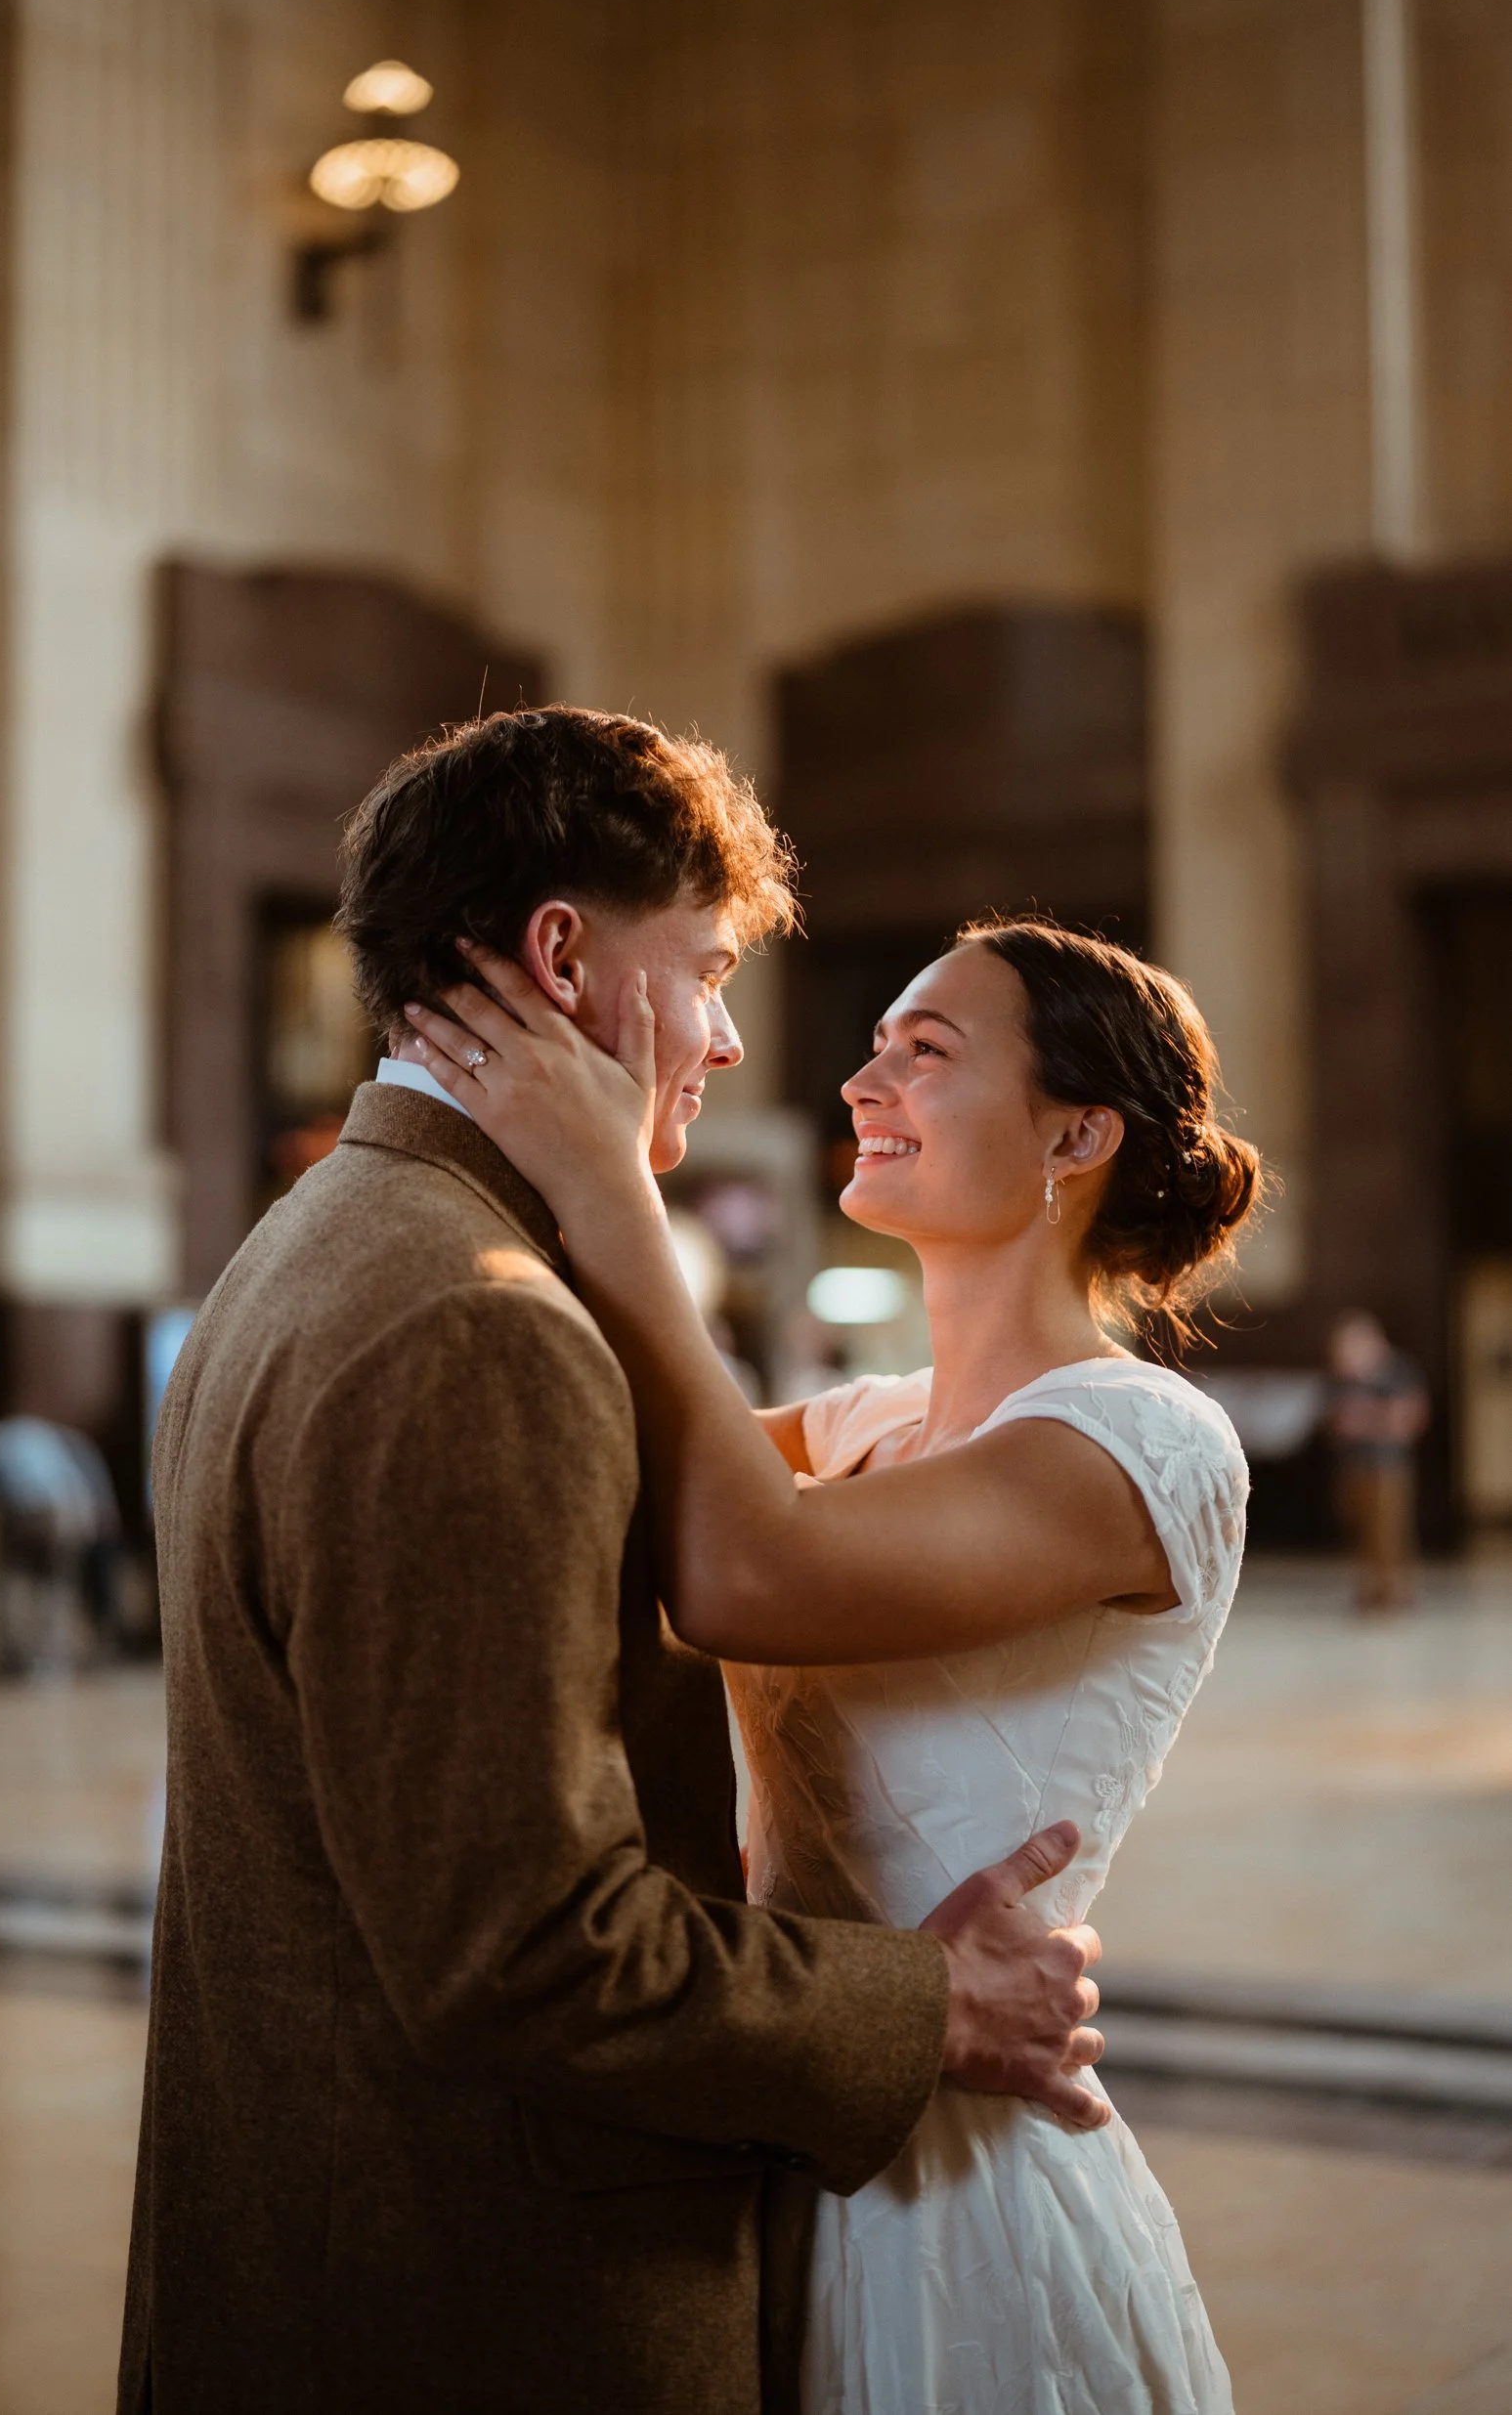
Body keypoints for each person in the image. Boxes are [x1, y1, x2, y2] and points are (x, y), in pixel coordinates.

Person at [118, 709, 1108, 2415]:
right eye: (708, 970)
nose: (723, 1042)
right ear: (566, 956)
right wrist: (926, 2006)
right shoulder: (471, 1324)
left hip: (320, 2243)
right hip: (475, 2302)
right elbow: (531, 1952)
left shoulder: (314, 1242)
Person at [403, 910, 1260, 2414]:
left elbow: (741, 1574)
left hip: (960, 2180)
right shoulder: (870, 1420)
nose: (863, 1083)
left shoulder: (1138, 1442)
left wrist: (608, 1178)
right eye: (871, 1047)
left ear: (1075, 1132)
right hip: (794, 2105)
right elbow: (641, 1491)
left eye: (922, 1053)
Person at [1325, 1309, 1429, 1613]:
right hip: (1352, 1466)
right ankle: (1371, 1589)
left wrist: (1366, 1420)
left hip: (1387, 1467)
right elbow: (1335, 1420)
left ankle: (1395, 1591)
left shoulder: (1396, 1371)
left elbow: (1409, 1419)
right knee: (1360, 1530)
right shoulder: (1343, 1378)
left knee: (1390, 1531)